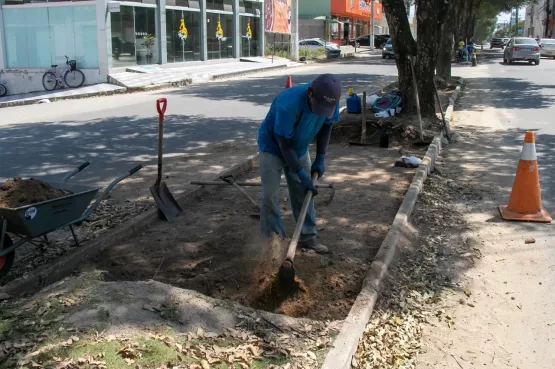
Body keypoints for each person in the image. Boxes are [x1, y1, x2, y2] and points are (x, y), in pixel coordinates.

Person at [257, 74, 342, 254]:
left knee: (304, 193)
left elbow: (327, 126)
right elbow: (284, 145)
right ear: (310, 92)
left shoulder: (331, 101)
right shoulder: (288, 105)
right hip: (272, 147)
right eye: (317, 107)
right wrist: (301, 174)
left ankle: (308, 237)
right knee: (270, 194)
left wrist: (321, 156)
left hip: (300, 148)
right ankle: (273, 240)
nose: (321, 112)